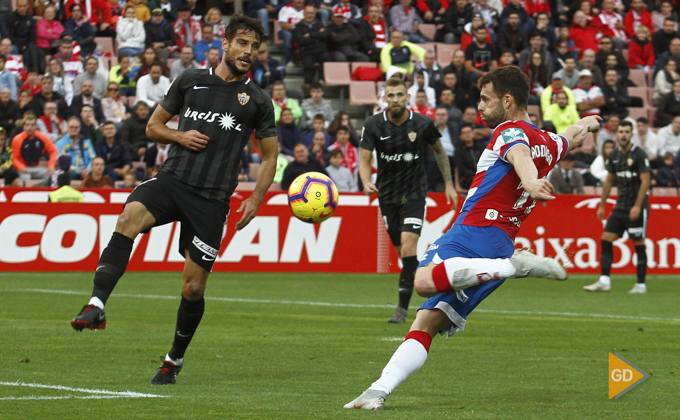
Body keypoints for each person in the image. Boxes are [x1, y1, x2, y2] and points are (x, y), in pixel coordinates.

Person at [345, 66, 602, 411]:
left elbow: (519, 156)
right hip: (499, 243)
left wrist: (528, 181)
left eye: (485, 99)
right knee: (427, 321)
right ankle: (377, 391)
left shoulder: (508, 130)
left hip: (474, 234)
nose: (479, 106)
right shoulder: (549, 143)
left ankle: (512, 268)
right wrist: (590, 122)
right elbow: (574, 134)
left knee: (422, 281)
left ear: (507, 101)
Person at [69, 15, 278, 388]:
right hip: (172, 181)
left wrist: (257, 197)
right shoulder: (190, 80)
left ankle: (173, 360)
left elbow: (269, 157)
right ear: (225, 44)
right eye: (242, 44)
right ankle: (97, 304)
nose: (248, 52)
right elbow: (153, 126)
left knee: (193, 288)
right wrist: (180, 137)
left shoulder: (258, 100)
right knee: (128, 217)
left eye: (255, 48)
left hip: (212, 200)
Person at [358, 77, 457, 324]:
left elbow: (440, 151)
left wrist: (448, 184)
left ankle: (401, 310)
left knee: (409, 248)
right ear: (384, 98)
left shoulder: (422, 123)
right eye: (390, 95)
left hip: (413, 194)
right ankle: (435, 277)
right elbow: (364, 159)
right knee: (405, 256)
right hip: (387, 196)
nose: (394, 100)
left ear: (407, 97)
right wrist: (364, 180)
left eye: (399, 95)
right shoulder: (372, 124)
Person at [584, 120, 651, 294]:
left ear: (631, 134)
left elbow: (646, 182)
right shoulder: (614, 154)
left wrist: (637, 206)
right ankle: (604, 281)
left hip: (636, 205)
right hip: (621, 205)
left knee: (638, 243)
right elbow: (608, 181)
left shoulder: (639, 155)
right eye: (620, 131)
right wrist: (602, 205)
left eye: (626, 132)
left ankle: (641, 284)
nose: (623, 135)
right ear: (617, 134)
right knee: (606, 238)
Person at [11, 114, 59, 181]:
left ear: (36, 126)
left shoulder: (42, 137)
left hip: (37, 167)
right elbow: (14, 158)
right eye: (27, 125)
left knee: (50, 175)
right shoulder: (17, 139)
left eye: (32, 125)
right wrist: (21, 167)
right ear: (24, 126)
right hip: (23, 168)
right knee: (25, 177)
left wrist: (51, 165)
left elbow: (53, 150)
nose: (29, 127)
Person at [293, 5, 329, 86]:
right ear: (304, 14)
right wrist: (317, 36)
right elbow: (301, 41)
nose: (310, 15)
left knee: (327, 58)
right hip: (307, 51)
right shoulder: (298, 26)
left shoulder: (319, 23)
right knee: (308, 65)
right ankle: (308, 85)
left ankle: (321, 81)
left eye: (312, 13)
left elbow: (325, 35)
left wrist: (309, 35)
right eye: (308, 13)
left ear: (314, 14)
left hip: (320, 51)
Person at [277, 0, 304, 65]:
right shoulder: (286, 8)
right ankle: (288, 60)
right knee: (288, 35)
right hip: (285, 32)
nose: (299, 1)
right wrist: (295, 28)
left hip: (300, 32)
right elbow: (283, 25)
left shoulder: (306, 10)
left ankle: (301, 60)